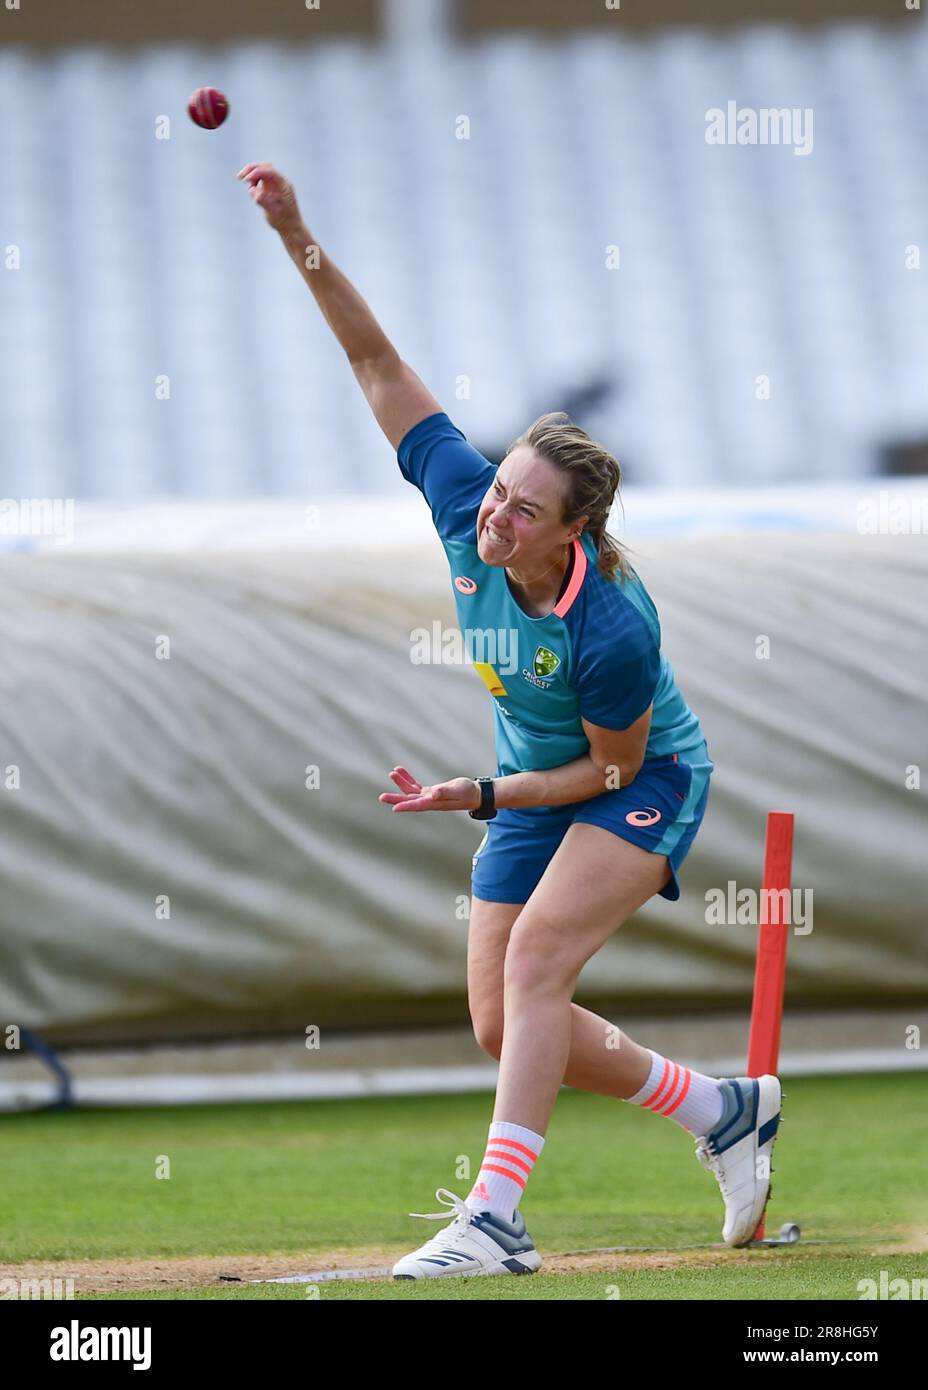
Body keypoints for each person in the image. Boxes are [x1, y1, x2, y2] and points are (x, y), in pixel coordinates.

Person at [238, 162, 782, 1281]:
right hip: (531, 781)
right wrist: (297, 232)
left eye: (521, 510)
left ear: (567, 531)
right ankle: (720, 1107)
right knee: (504, 1021)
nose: (494, 514)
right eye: (497, 491)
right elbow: (377, 363)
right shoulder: (461, 501)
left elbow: (603, 768)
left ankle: (496, 1217)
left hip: (638, 780)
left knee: (538, 963)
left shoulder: (612, 629)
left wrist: (479, 795)